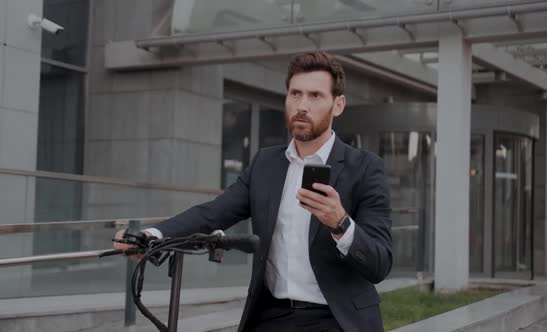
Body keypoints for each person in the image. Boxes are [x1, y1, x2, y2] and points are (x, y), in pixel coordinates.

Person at [114, 51, 392, 332]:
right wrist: (152, 236)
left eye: (315, 96)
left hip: (336, 320)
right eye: (295, 94)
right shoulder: (265, 164)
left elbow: (379, 264)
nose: (302, 105)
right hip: (271, 317)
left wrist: (341, 223)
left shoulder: (366, 169)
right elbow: (214, 213)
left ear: (338, 104)